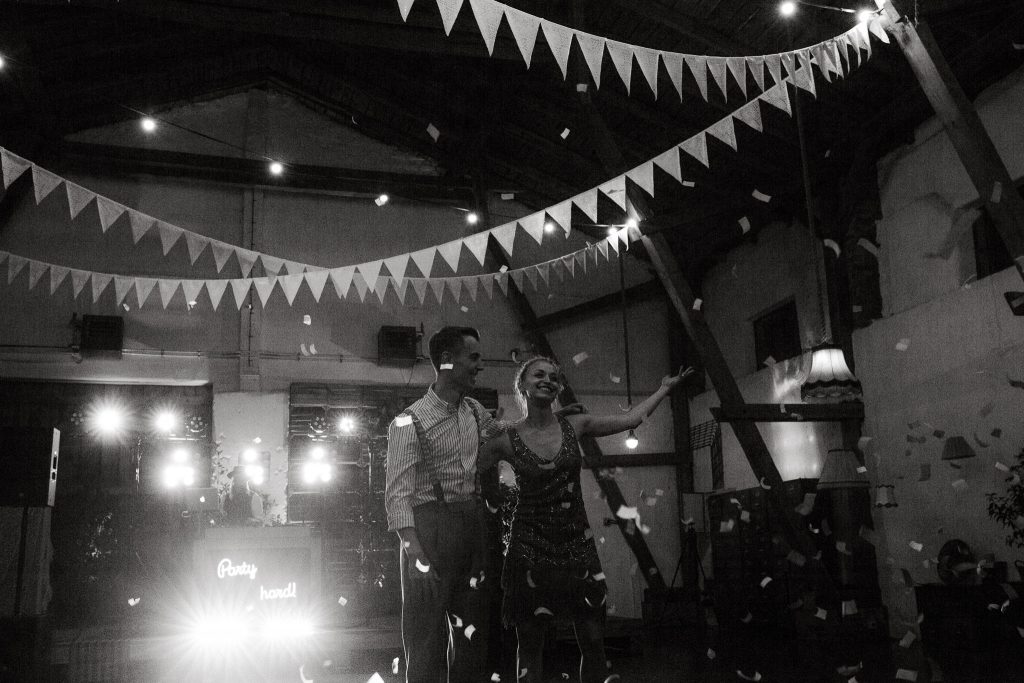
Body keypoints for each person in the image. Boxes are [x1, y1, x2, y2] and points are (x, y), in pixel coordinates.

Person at [479, 356, 693, 683]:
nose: (548, 380)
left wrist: (663, 389)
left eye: (554, 377)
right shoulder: (506, 438)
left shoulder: (575, 425)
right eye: (539, 374)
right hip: (529, 546)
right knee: (531, 643)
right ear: (522, 384)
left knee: (593, 638)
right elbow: (466, 468)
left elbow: (630, 419)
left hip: (576, 542)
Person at [384, 326, 506, 683]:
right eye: (474, 357)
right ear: (448, 361)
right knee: (424, 637)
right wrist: (416, 555)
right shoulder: (409, 421)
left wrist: (546, 422)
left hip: (472, 525)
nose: (480, 365)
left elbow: (505, 434)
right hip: (429, 531)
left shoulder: (474, 410)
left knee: (472, 636)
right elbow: (397, 496)